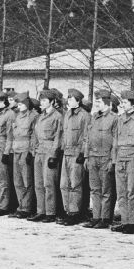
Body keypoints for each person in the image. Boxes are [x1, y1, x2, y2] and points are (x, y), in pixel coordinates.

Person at [80, 90, 118, 228]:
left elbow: (115, 142)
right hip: (93, 157)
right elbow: (87, 138)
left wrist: (112, 160)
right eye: (96, 101)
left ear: (107, 103)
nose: (96, 104)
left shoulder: (114, 119)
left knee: (106, 190)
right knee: (94, 189)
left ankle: (105, 218)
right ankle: (96, 216)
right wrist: (86, 156)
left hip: (105, 157)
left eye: (99, 102)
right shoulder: (93, 117)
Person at [112, 90, 134, 234]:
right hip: (120, 157)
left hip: (133, 158)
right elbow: (115, 140)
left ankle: (132, 223)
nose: (123, 105)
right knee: (121, 191)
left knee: (132, 191)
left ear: (132, 103)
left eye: (125, 102)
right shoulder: (120, 119)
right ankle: (125, 221)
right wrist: (114, 159)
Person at [29, 89, 65, 223]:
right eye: (41, 100)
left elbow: (58, 136)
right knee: (38, 183)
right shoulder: (40, 116)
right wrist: (33, 150)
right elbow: (35, 134)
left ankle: (50, 212)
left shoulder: (57, 117)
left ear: (52, 102)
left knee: (48, 183)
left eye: (44, 101)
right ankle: (41, 211)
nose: (41, 103)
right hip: (39, 151)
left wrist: (54, 154)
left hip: (50, 152)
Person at [59, 89, 90, 225]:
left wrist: (83, 153)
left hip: (77, 155)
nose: (68, 101)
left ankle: (74, 213)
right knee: (64, 185)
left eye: (71, 99)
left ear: (78, 101)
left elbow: (86, 136)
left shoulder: (84, 115)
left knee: (75, 184)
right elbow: (64, 134)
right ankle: (67, 211)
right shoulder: (67, 114)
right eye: (68, 99)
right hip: (66, 153)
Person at [10, 92, 39, 219]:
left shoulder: (34, 116)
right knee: (18, 181)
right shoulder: (17, 115)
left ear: (27, 104)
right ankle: (21, 206)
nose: (19, 106)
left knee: (27, 180)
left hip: (26, 150)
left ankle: (27, 208)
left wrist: (30, 152)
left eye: (21, 104)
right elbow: (12, 134)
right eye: (18, 104)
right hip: (16, 149)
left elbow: (34, 135)